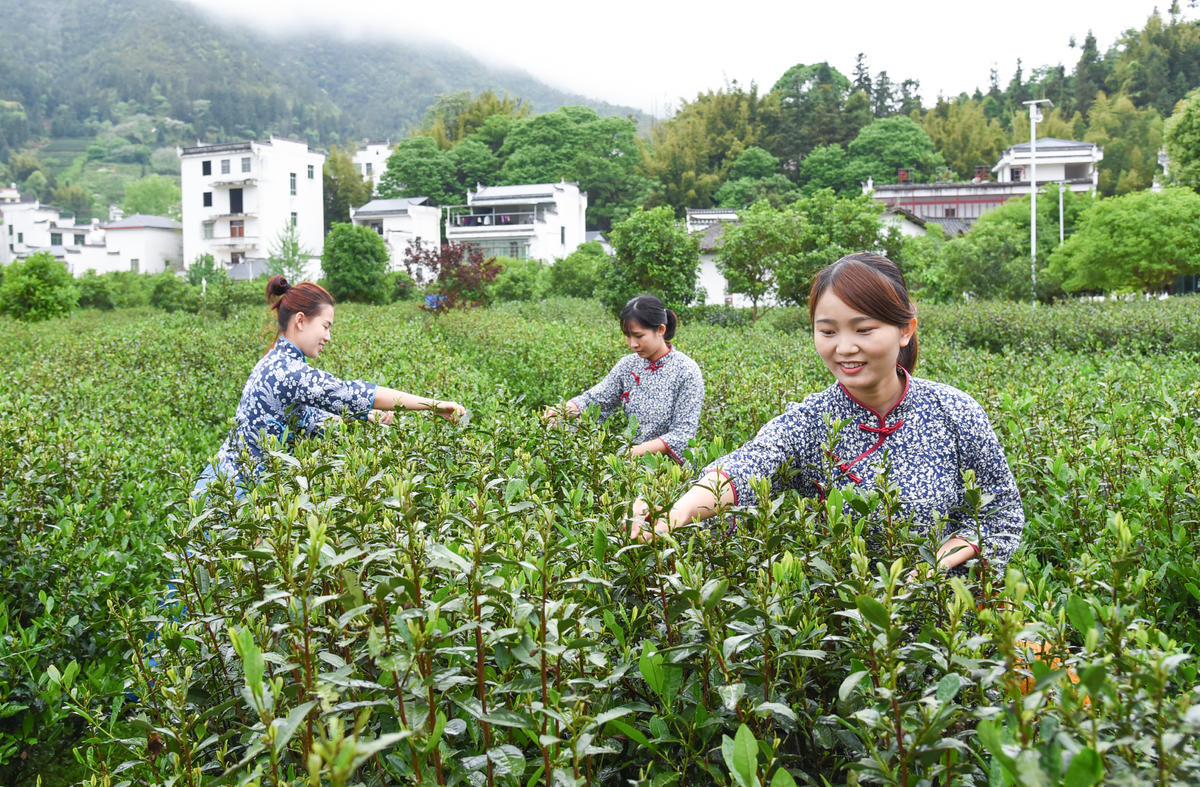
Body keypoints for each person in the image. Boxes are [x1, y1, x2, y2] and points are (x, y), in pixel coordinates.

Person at [633, 253, 1023, 575]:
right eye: (828, 331)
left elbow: (1002, 510)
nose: (845, 347)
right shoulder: (811, 420)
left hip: (947, 625)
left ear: (905, 330)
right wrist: (677, 510)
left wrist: (969, 542)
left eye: (864, 329)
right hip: (844, 634)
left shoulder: (954, 411)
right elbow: (751, 463)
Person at [193, 275, 466, 498]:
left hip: (221, 488)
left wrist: (366, 418)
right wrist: (434, 405)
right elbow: (352, 394)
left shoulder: (275, 360)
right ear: (300, 320)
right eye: (325, 326)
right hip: (228, 498)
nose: (328, 336)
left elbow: (308, 419)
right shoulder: (289, 372)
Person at [548, 294, 704, 464]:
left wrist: (633, 452)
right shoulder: (628, 365)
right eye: (628, 336)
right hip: (631, 468)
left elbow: (682, 434)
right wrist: (562, 411)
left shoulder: (687, 371)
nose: (632, 344)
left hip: (671, 473)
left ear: (660, 330)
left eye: (638, 336)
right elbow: (596, 400)